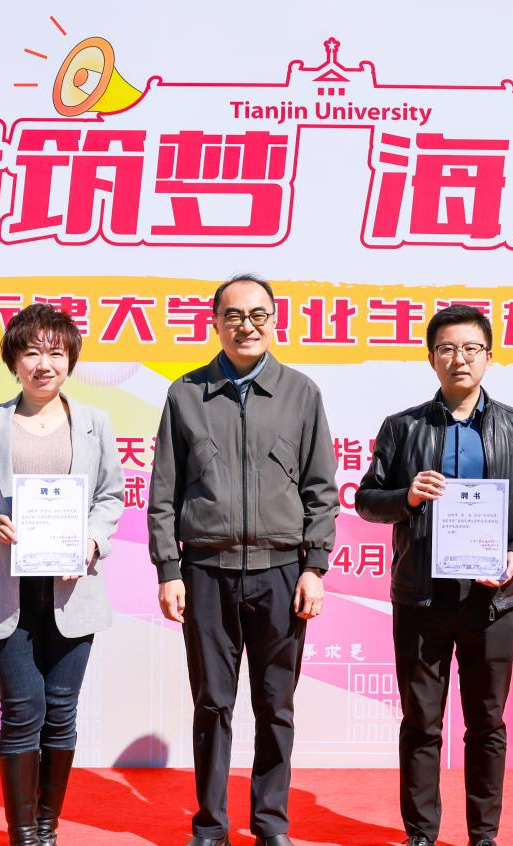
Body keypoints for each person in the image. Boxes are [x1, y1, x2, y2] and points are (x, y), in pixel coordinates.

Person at [355, 305, 513, 846]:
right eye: (447, 348)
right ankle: (421, 834)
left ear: (489, 357)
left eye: (471, 348)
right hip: (421, 599)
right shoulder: (403, 427)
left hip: (491, 601)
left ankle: (483, 835)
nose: (459, 359)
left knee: (487, 724)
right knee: (421, 723)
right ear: (432, 358)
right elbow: (366, 500)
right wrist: (406, 497)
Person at [148, 274, 340, 846]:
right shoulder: (186, 394)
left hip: (281, 572)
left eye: (258, 315)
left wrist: (314, 567)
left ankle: (270, 823)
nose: (246, 326)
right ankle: (210, 826)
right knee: (212, 703)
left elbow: (321, 490)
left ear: (274, 321)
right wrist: (168, 569)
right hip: (206, 572)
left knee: (276, 704)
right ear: (215, 323)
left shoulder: (301, 393)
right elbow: (164, 492)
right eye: (233, 315)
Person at [0, 303, 125, 846]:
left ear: (70, 359)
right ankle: (23, 835)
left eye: (55, 352)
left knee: (62, 712)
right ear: (14, 361)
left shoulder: (94, 423)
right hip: (11, 590)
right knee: (22, 710)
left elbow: (110, 496)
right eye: (31, 352)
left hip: (74, 590)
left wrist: (92, 540)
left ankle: (47, 829)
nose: (44, 364)